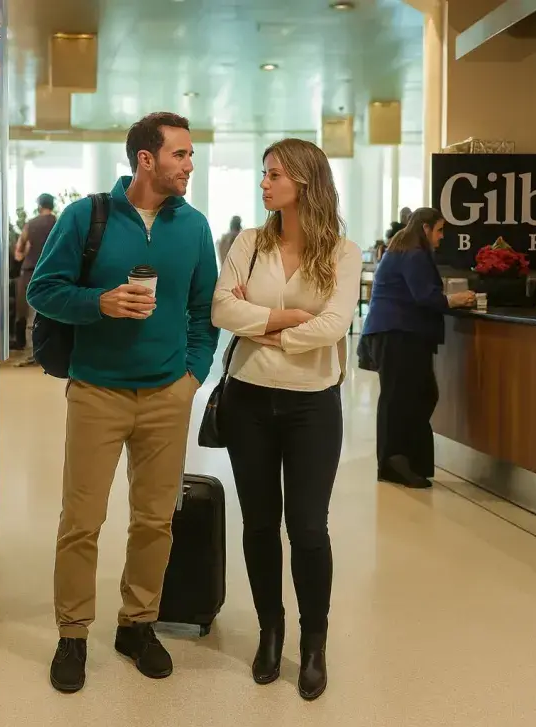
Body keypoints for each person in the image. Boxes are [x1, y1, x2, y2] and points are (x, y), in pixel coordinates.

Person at [27, 111, 219, 694]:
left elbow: (203, 311)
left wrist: (192, 376)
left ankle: (137, 624)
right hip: (97, 392)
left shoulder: (194, 226)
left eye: (190, 155)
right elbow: (44, 289)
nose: (190, 164)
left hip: (167, 394)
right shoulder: (86, 217)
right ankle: (73, 633)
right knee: (81, 521)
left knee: (155, 519)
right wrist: (99, 303)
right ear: (146, 159)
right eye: (180, 154)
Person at [211, 138, 362, 701]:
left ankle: (314, 641)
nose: (264, 182)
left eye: (274, 174)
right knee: (257, 523)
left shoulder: (342, 252)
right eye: (263, 173)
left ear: (304, 180)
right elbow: (221, 307)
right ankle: (269, 631)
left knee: (307, 527)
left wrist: (265, 329)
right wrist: (290, 318)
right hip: (248, 398)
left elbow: (336, 325)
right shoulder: (249, 242)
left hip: (311, 405)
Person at [359, 207, 475, 489]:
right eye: (439, 230)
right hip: (399, 334)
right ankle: (395, 462)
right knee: (402, 399)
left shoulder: (401, 248)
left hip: (393, 333)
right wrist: (455, 299)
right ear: (425, 228)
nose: (441, 237)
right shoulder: (414, 254)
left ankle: (404, 461)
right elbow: (425, 296)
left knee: (414, 396)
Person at [12, 193, 57, 356]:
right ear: (52, 206)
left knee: (30, 313)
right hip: (53, 272)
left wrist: (28, 250)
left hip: (30, 272)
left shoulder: (30, 225)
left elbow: (18, 253)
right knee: (52, 313)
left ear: (39, 206)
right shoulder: (58, 223)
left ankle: (32, 353)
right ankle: (51, 352)